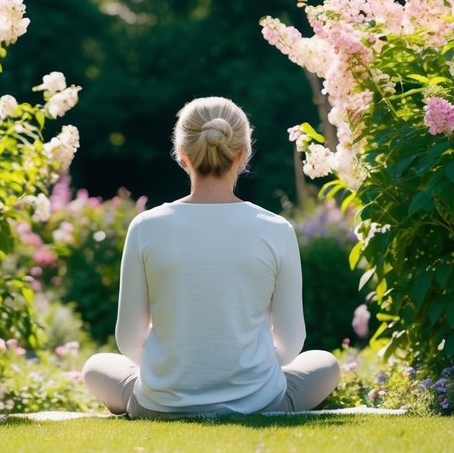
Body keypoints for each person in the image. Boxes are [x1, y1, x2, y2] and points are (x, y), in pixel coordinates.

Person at [82, 97, 341, 418]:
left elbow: (128, 341)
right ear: (241, 155)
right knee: (325, 364)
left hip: (159, 404)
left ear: (182, 156)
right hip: (258, 402)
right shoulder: (276, 229)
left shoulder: (145, 227)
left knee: (97, 366)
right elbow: (290, 345)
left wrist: (180, 368)